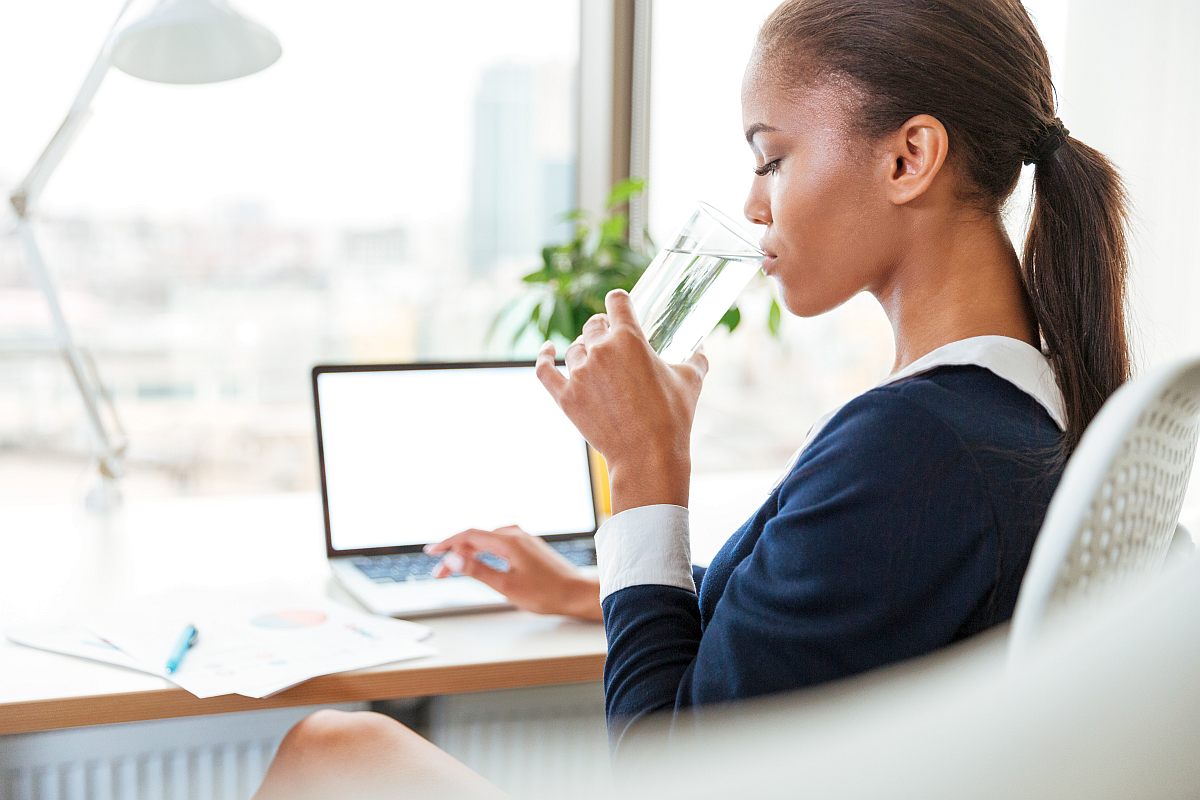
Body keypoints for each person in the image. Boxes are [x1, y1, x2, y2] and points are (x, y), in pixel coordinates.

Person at [253, 0, 1130, 796]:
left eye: (773, 157)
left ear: (909, 158)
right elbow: (819, 603)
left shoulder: (919, 444)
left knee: (331, 750)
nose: (753, 203)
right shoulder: (1021, 406)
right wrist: (583, 588)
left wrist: (643, 466)